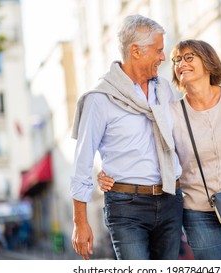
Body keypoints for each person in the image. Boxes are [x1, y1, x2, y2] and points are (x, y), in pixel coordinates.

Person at [99, 39, 221, 260]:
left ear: (208, 63)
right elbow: (143, 147)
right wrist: (108, 171)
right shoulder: (172, 112)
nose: (181, 64)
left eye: (189, 57)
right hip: (198, 213)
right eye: (176, 60)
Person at [70, 14, 183, 260]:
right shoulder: (100, 99)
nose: (163, 58)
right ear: (136, 51)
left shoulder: (163, 89)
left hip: (170, 201)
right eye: (158, 51)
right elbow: (83, 160)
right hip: (126, 206)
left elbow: (179, 138)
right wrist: (80, 222)